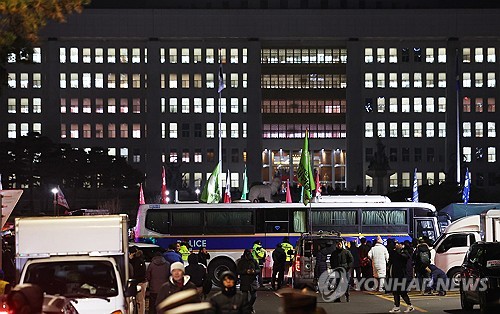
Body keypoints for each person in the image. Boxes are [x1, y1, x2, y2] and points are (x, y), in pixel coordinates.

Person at [388, 241, 415, 313]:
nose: (397, 245)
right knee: (396, 292)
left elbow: (405, 258)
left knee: (402, 292)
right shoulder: (394, 254)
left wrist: (398, 252)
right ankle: (397, 306)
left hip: (402, 275)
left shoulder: (404, 253)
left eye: (399, 244)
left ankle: (409, 305)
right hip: (395, 274)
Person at [129, 246, 147, 314]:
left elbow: (137, 273)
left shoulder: (137, 261)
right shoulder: (139, 260)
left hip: (139, 282)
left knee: (140, 301)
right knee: (139, 301)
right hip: (139, 282)